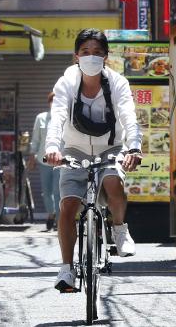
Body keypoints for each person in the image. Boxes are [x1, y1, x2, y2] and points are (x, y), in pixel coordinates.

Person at [44, 28, 142, 293]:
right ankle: (66, 269)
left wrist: (134, 147)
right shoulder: (66, 83)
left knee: (113, 184)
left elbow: (128, 116)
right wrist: (53, 148)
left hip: (111, 147)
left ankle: (120, 229)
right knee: (68, 206)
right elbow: (58, 117)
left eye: (97, 53)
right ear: (76, 56)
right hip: (73, 149)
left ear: (106, 57)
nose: (91, 57)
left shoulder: (118, 82)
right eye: (85, 52)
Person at [29, 93, 61, 231]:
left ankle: (59, 220)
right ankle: (51, 214)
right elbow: (36, 139)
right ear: (48, 103)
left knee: (57, 191)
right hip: (43, 159)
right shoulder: (41, 118)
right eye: (52, 101)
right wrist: (32, 156)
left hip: (60, 161)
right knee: (46, 191)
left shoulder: (66, 119)